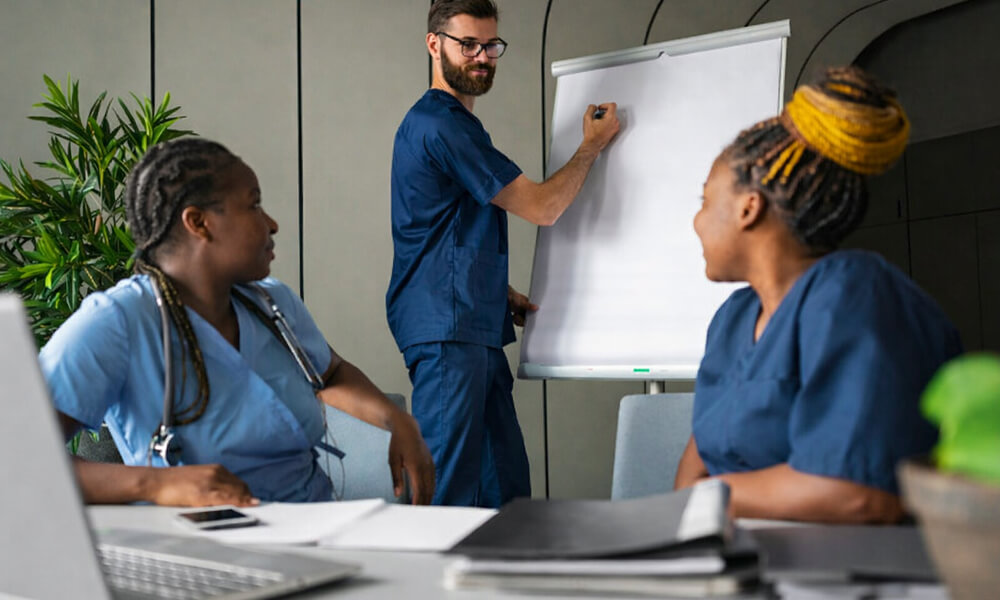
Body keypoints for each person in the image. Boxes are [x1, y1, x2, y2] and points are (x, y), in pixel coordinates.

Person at [41, 138, 435, 506]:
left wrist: (395, 419)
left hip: (315, 525)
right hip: (200, 548)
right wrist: (154, 483)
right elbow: (18, 455)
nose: (272, 224)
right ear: (199, 223)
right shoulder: (117, 324)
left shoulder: (271, 302)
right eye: (254, 205)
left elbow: (330, 375)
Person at [675, 66, 963, 523]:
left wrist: (713, 492)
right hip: (738, 562)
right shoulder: (733, 318)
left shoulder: (857, 295)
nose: (696, 221)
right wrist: (710, 494)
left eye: (705, 201)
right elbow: (687, 482)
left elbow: (858, 496)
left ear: (749, 208)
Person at [386, 0, 620, 507]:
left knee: (505, 490)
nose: (482, 56)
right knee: (443, 492)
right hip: (449, 332)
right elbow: (542, 207)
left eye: (490, 45)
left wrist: (495, 292)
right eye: (467, 44)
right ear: (434, 44)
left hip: (472, 324)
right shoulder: (441, 125)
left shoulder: (456, 126)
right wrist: (591, 146)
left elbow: (443, 230)